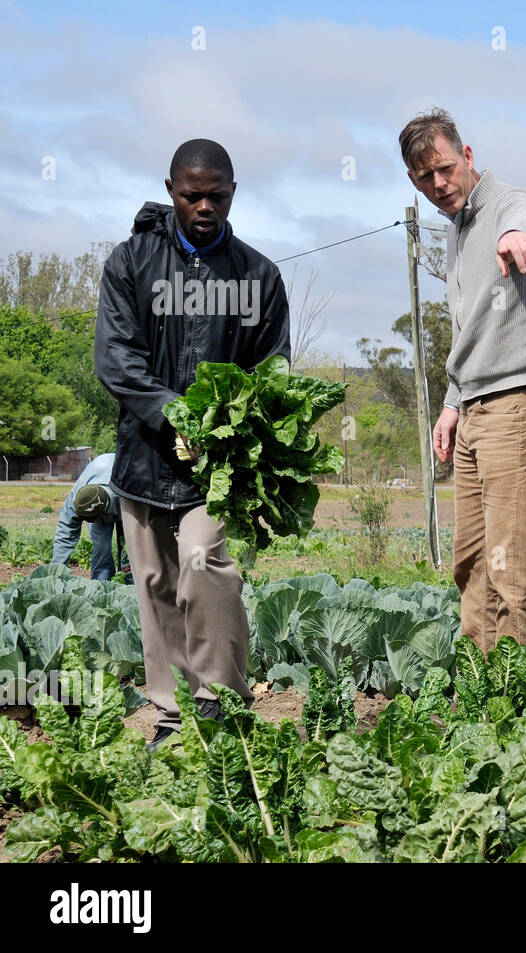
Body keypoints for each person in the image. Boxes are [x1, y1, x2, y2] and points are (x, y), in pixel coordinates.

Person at [95, 138, 290, 750]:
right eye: (191, 194)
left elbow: (273, 369)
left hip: (220, 467)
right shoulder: (130, 264)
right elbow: (116, 359)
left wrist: (224, 426)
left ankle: (219, 704)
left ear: (234, 193)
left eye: (217, 195)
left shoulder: (257, 275)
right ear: (171, 190)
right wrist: (172, 414)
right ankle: (173, 717)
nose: (205, 205)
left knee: (206, 567)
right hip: (145, 457)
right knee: (153, 585)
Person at [401, 107, 526, 654]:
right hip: (474, 406)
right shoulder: (454, 231)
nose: (439, 184)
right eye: (425, 177)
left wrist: (518, 233)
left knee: (513, 568)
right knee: (472, 562)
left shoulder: (508, 205)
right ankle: (480, 690)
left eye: (446, 168)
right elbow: (473, 331)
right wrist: (451, 402)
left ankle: (516, 714)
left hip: (517, 403)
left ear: (467, 156)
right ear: (412, 180)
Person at [51, 452, 125, 582]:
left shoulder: (127, 490)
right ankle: (101, 585)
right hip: (101, 477)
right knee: (101, 547)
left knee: (129, 549)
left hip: (125, 496)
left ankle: (134, 587)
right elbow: (65, 533)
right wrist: (55, 574)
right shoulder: (77, 499)